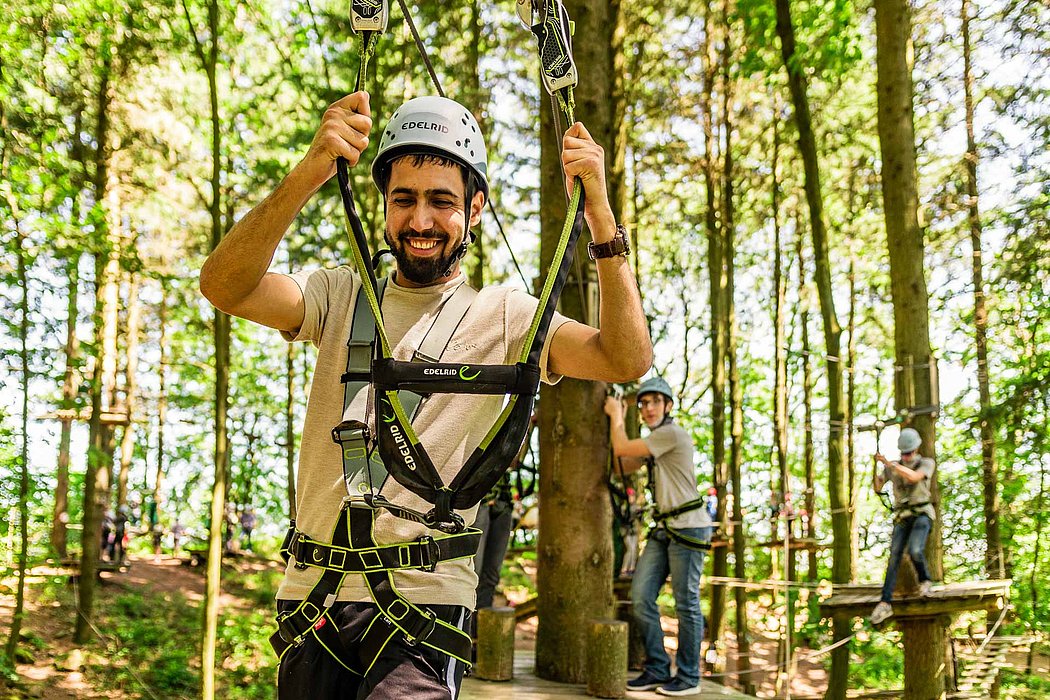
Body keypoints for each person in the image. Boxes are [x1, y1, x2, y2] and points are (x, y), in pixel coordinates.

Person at [199, 91, 651, 699]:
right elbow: (225, 285)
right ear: (382, 204)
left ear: (475, 208)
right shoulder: (337, 295)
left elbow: (624, 358)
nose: (419, 223)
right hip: (315, 603)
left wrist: (600, 218)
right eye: (403, 200)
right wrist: (311, 170)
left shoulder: (507, 319)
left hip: (424, 609)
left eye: (442, 202)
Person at [605, 376, 712, 697]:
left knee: (686, 603)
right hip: (665, 528)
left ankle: (689, 676)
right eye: (644, 403)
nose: (648, 408)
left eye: (654, 402)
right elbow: (620, 462)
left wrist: (616, 415)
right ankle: (657, 668)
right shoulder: (656, 444)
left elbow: (622, 447)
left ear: (667, 406)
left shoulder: (671, 435)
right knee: (640, 597)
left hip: (688, 527)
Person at [870, 427, 936, 625]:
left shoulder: (926, 463)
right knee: (894, 557)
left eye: (910, 452)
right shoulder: (892, 467)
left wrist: (889, 464)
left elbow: (913, 477)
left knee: (915, 549)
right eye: (904, 453)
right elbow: (878, 487)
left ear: (916, 449)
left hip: (922, 514)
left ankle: (925, 580)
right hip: (902, 516)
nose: (907, 456)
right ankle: (885, 602)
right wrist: (877, 468)